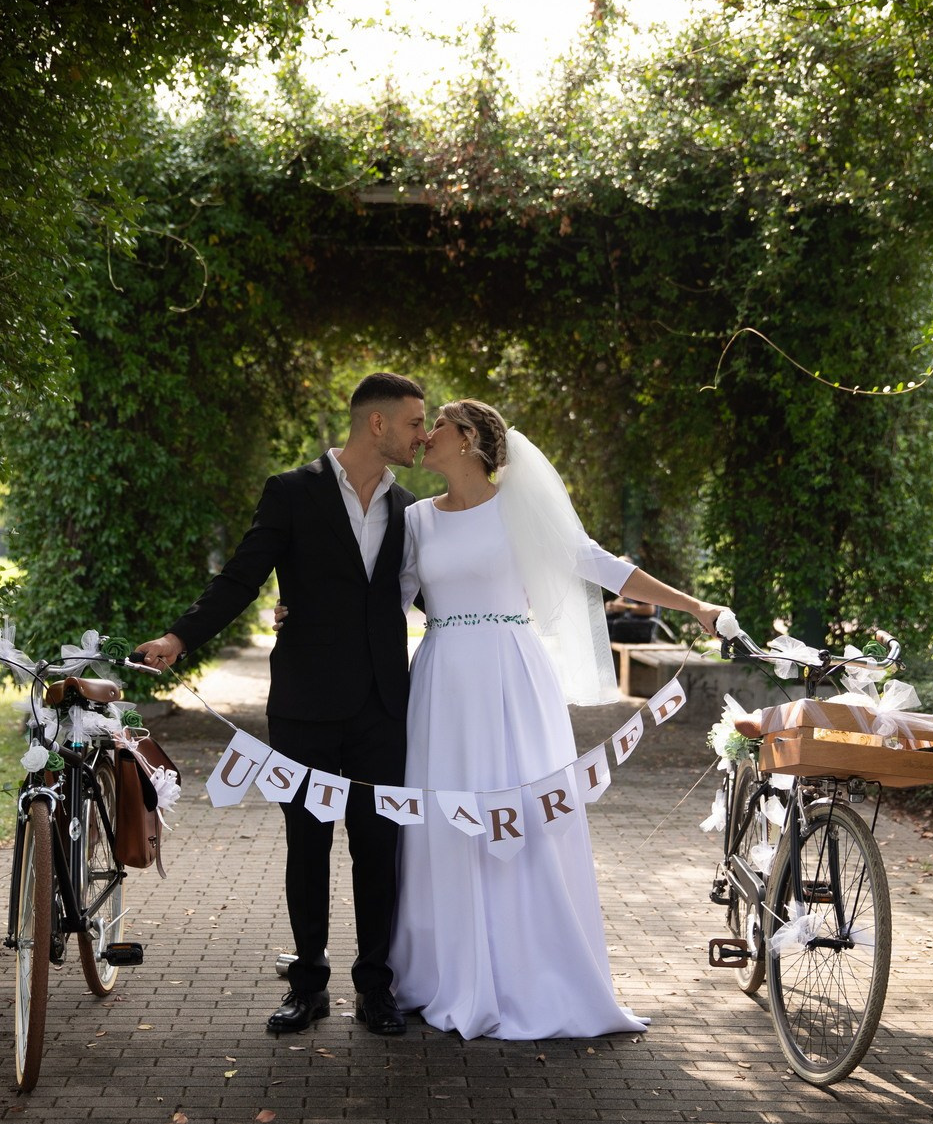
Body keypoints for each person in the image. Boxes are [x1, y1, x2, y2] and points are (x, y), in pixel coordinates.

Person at [392, 399, 727, 1040]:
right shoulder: (415, 520)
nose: (425, 435)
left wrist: (695, 607)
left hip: (512, 675)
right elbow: (388, 599)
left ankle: (531, 970)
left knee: (522, 809)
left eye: (437, 425)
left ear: (466, 440)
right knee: (446, 814)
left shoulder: (518, 509)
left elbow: (600, 564)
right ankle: (444, 971)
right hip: (441, 679)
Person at [134, 373, 427, 1038]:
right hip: (305, 702)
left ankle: (376, 988)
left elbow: (431, 595)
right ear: (376, 424)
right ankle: (309, 986)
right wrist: (181, 637)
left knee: (381, 849)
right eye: (415, 422)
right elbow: (241, 575)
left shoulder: (412, 509)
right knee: (308, 845)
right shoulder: (291, 492)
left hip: (385, 704)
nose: (423, 433)